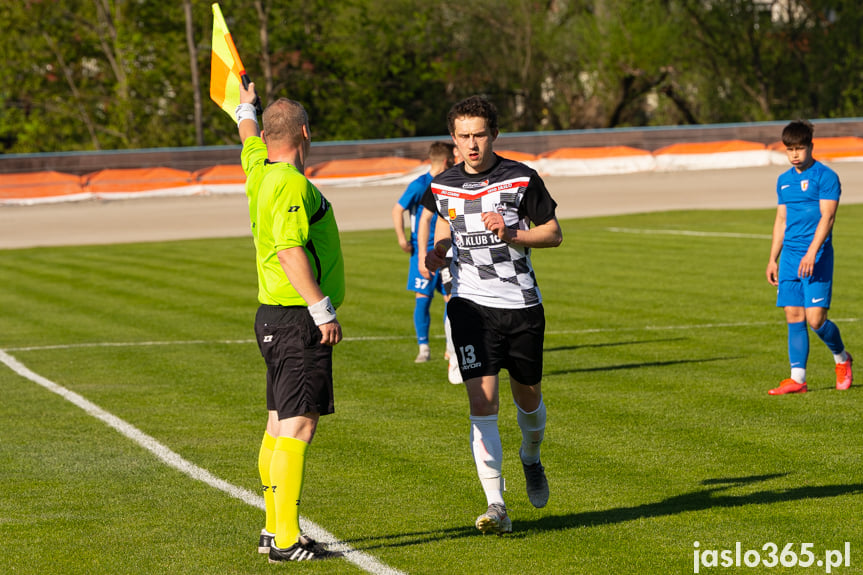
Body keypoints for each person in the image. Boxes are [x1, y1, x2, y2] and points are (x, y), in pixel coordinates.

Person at [422, 95, 563, 534]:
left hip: (520, 304)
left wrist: (514, 232)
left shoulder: (522, 178)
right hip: (468, 303)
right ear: (453, 139)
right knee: (482, 401)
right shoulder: (442, 184)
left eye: (479, 134)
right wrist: (440, 250)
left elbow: (554, 234)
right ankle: (496, 504)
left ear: (494, 135)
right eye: (463, 136)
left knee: (528, 398)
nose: (472, 144)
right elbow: (444, 221)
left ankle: (532, 456)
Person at [236, 82, 345, 562]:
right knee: (299, 427)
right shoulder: (290, 183)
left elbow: (246, 138)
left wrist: (246, 107)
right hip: (297, 319)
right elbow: (288, 248)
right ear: (305, 132)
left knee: (279, 424)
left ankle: (271, 529)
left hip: (272, 318)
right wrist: (321, 307)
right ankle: (285, 539)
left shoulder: (259, 170)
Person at [766, 119, 852, 395]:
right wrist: (772, 259)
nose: (794, 154)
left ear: (811, 147)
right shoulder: (783, 181)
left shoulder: (825, 177)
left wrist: (812, 252)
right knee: (793, 314)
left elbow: (828, 217)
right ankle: (798, 379)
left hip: (817, 256)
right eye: (789, 149)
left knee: (815, 320)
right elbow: (781, 220)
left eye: (799, 148)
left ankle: (842, 358)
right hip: (790, 257)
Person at [391, 142, 455, 363]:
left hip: (447, 250)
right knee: (423, 298)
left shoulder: (450, 183)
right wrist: (402, 239)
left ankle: (451, 346)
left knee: (451, 298)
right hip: (423, 251)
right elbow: (397, 209)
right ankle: (424, 348)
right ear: (447, 161)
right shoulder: (420, 185)